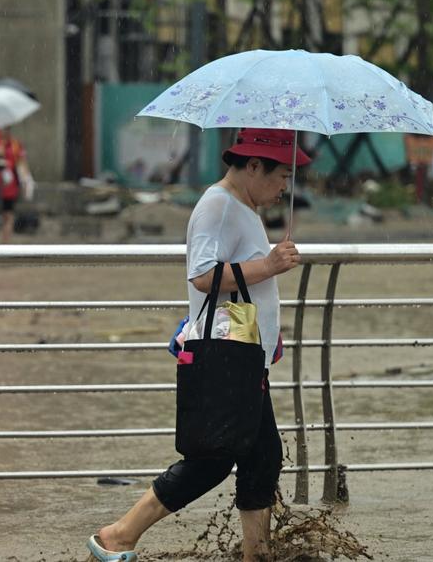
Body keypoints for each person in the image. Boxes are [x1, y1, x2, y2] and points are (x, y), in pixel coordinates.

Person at [86, 127, 309, 562]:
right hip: (223, 357)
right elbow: (203, 275)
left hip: (243, 354)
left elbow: (237, 286)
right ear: (254, 166)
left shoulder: (242, 207)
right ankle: (118, 534)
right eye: (282, 175)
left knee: (263, 456)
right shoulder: (218, 205)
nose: (286, 186)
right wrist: (269, 264)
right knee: (212, 459)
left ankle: (256, 554)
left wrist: (268, 332)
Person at [0, 128, 32, 244]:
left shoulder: (15, 144)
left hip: (11, 185)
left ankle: (5, 241)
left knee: (9, 214)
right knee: (3, 214)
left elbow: (22, 162)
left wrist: (26, 180)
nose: (3, 132)